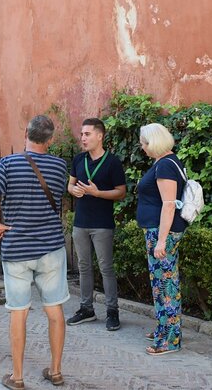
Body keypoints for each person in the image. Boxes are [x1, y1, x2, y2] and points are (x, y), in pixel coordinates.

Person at [0, 115, 69, 390]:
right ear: (50, 139)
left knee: (19, 312)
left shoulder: (8, 164)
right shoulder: (59, 166)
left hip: (17, 248)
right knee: (55, 311)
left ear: (26, 133)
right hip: (51, 247)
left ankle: (17, 377)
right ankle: (55, 372)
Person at [67, 118, 126, 331]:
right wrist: (73, 190)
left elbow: (121, 192)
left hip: (102, 224)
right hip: (80, 222)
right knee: (84, 267)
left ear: (100, 136)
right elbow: (70, 185)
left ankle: (112, 311)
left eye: (87, 134)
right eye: (82, 134)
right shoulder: (78, 159)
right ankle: (86, 309)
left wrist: (98, 193)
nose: (83, 138)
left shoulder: (112, 162)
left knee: (106, 268)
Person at [136, 123, 187, 356]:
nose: (142, 146)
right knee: (159, 284)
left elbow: (169, 205)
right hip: (157, 231)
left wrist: (161, 241)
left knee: (167, 285)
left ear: (154, 142)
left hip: (162, 232)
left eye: (144, 143)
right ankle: (163, 329)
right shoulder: (165, 162)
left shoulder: (166, 165)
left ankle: (171, 339)